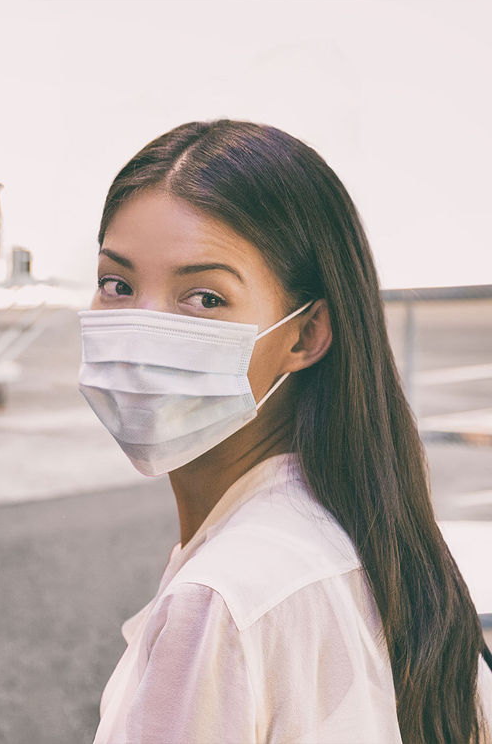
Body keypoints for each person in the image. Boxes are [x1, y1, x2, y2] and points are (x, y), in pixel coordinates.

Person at [82, 120, 492, 743]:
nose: (141, 336)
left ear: (304, 335)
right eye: (118, 285)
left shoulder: (221, 601)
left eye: (205, 298)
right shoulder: (369, 536)